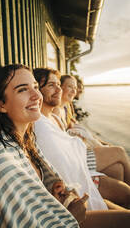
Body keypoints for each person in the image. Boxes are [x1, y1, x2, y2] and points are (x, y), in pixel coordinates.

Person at [0, 64, 83, 228]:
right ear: (0, 105)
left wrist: (51, 195)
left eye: (35, 87)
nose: (37, 95)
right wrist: (74, 217)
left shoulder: (26, 141)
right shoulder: (0, 164)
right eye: (22, 90)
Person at [33, 67, 130, 227]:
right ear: (38, 91)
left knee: (118, 169)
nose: (59, 89)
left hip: (79, 172)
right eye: (52, 85)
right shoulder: (41, 126)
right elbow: (61, 163)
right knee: (119, 154)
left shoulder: (53, 116)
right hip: (72, 191)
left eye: (59, 84)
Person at [54, 74, 130, 206]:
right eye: (70, 87)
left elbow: (71, 126)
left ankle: (114, 204)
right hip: (76, 158)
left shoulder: (66, 107)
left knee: (117, 168)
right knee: (120, 151)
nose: (74, 91)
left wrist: (102, 144)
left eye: (75, 87)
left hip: (80, 151)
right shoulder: (55, 110)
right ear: (60, 88)